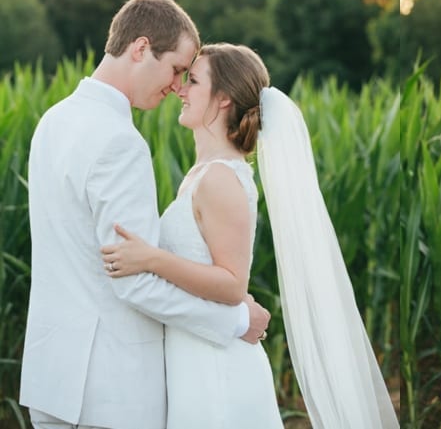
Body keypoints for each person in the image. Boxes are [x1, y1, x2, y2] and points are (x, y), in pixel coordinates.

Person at [101, 43, 399, 428]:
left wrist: (151, 258)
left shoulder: (221, 178)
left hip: (217, 370)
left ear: (223, 98)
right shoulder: (202, 175)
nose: (180, 90)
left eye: (192, 81)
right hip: (194, 357)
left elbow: (230, 283)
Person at [20, 0, 271, 429]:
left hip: (52, 379)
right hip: (110, 389)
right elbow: (133, 284)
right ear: (140, 49)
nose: (177, 86)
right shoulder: (121, 142)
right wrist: (234, 319)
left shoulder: (52, 121)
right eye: (176, 69)